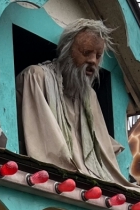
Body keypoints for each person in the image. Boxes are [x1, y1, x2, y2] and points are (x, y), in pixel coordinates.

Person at [16, 18, 129, 185]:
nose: (93, 61)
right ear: (67, 51)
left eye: (98, 56)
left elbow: (103, 148)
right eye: (86, 52)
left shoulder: (89, 96)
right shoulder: (36, 77)